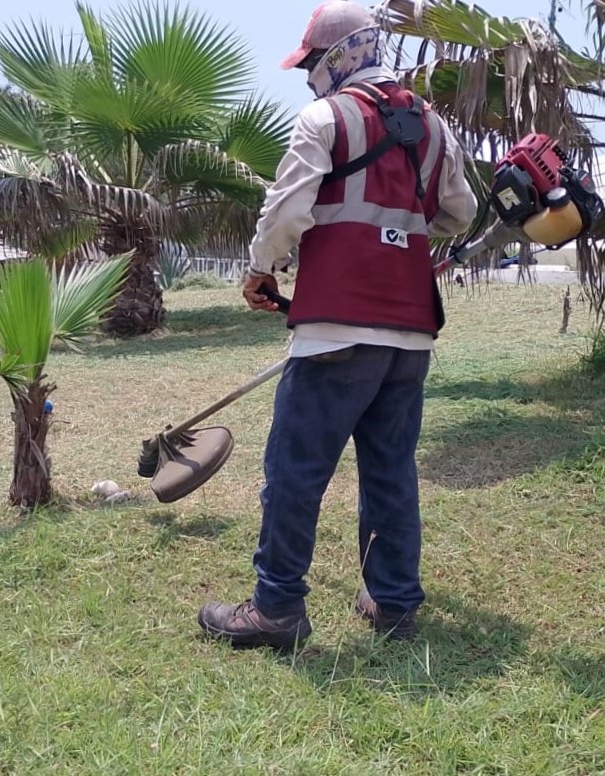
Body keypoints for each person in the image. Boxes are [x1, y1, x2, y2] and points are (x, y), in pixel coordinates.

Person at [197, 0, 478, 650]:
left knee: (294, 469)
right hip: (408, 331)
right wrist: (399, 231)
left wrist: (259, 269)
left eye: (310, 65)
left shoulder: (323, 118)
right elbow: (458, 211)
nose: (306, 78)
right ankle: (392, 602)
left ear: (336, 57)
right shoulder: (433, 128)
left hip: (336, 326)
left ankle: (275, 610)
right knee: (389, 469)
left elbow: (285, 211)